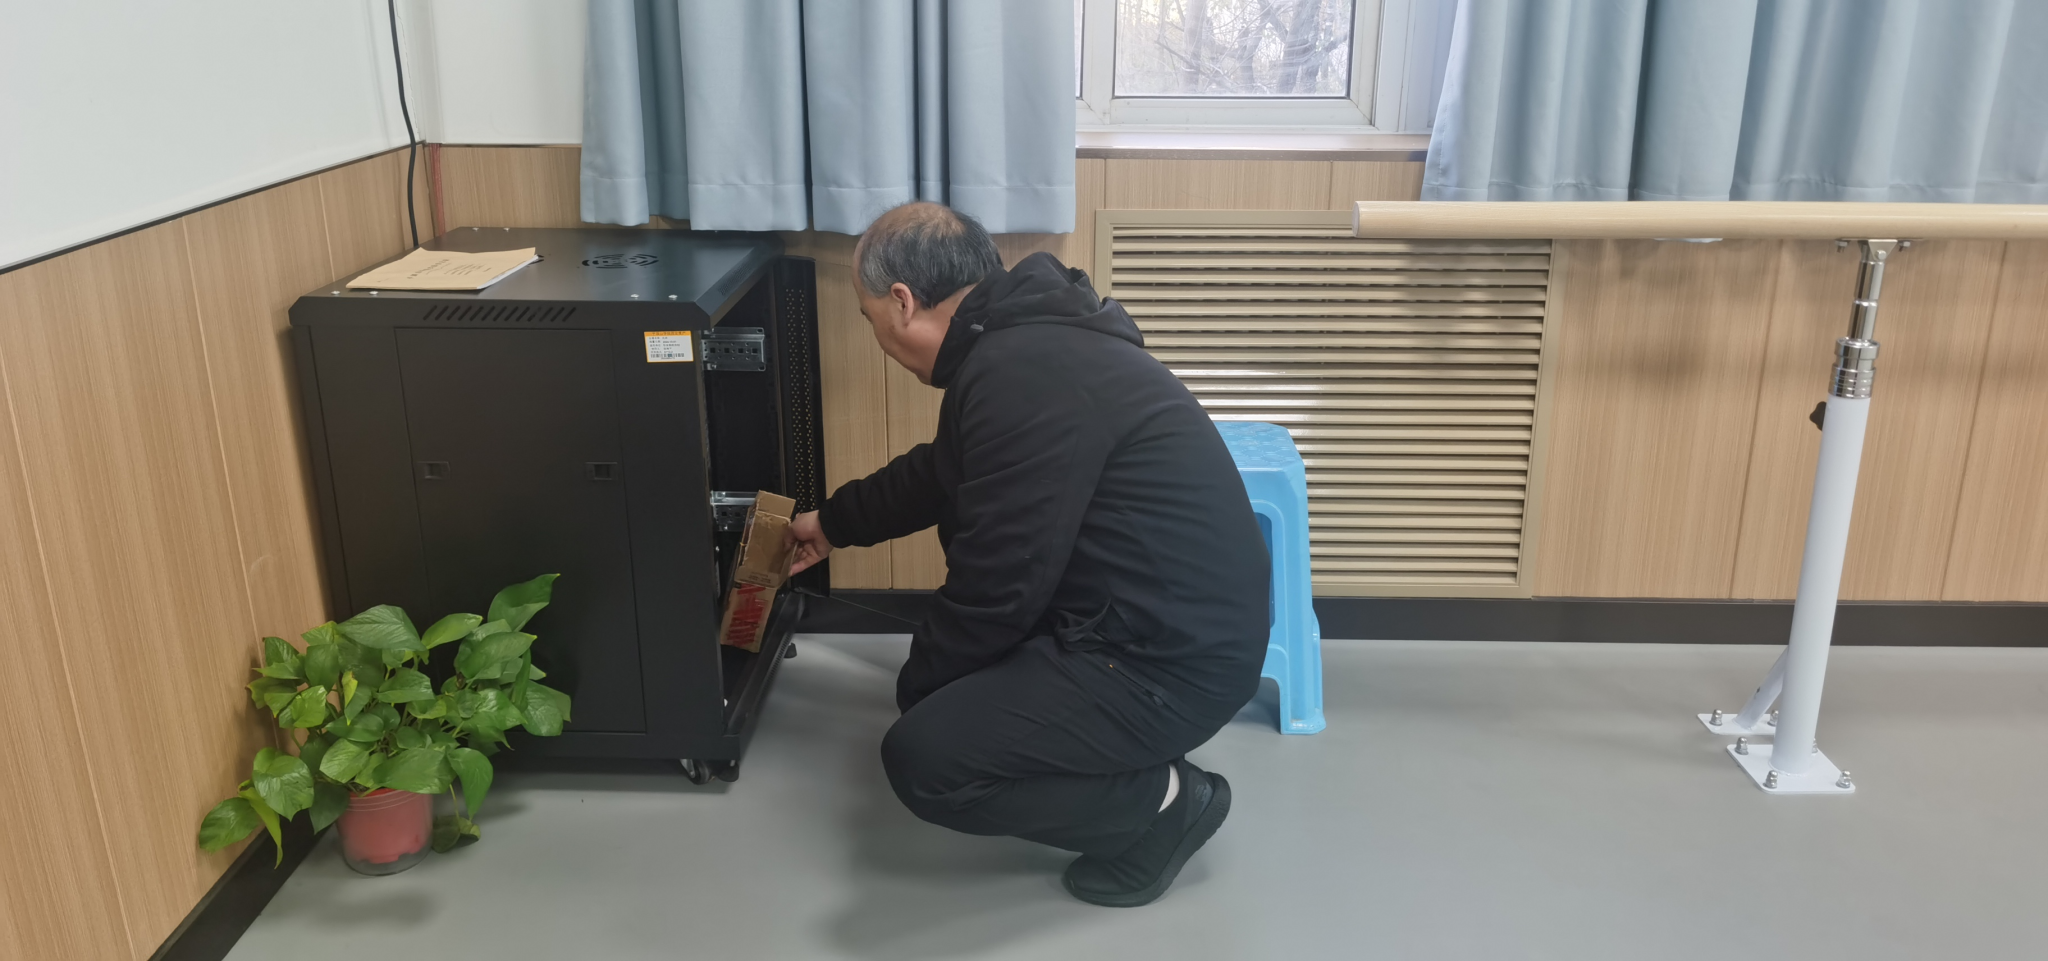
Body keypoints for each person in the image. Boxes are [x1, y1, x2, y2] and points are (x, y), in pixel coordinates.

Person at [784, 201, 1270, 907]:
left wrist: (924, 695)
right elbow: (940, 473)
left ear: (902, 302)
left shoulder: (1023, 371)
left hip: (1168, 665)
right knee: (957, 696)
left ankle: (1165, 804)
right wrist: (831, 523)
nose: (876, 335)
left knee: (927, 761)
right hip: (1150, 627)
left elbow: (1002, 580)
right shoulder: (1025, 345)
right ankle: (1109, 753)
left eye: (869, 317)